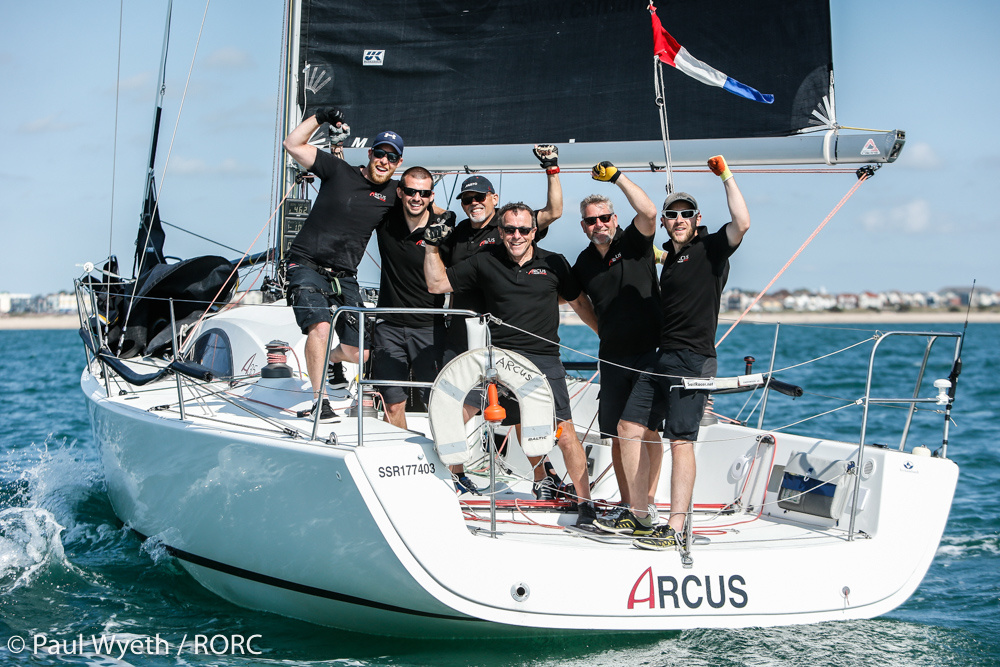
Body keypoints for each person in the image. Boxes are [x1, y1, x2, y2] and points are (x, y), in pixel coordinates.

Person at [423, 202, 600, 526]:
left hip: (543, 360)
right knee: (450, 415)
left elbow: (579, 302)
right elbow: (437, 285)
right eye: (508, 229)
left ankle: (585, 503)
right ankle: (440, 486)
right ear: (500, 231)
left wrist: (606, 337)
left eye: (523, 229)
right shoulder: (484, 262)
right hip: (495, 360)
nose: (516, 236)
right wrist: (432, 245)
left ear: (534, 231)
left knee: (565, 433)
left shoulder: (554, 263)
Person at [621, 155, 750, 550]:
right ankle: (640, 514)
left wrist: (726, 176)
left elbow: (742, 223)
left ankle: (677, 527)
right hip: (662, 356)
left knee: (680, 440)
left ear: (696, 219)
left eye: (685, 214)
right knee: (630, 427)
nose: (678, 220)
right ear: (664, 222)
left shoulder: (711, 249)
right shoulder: (671, 258)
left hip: (694, 358)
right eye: (671, 215)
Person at [438, 146, 563, 492]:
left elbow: (554, 211)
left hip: (500, 335)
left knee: (522, 407)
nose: (474, 202)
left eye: (480, 196)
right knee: (458, 402)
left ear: (495, 199)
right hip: (462, 330)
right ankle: (455, 473)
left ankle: (543, 476)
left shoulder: (510, 228)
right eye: (467, 199)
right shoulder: (458, 232)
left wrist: (551, 167)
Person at [282, 108, 404, 421]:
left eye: (391, 158)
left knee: (358, 353)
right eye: (380, 154)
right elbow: (293, 145)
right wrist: (320, 116)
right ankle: (319, 400)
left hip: (344, 276)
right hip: (306, 265)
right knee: (320, 325)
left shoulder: (393, 193)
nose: (384, 162)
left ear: (398, 163)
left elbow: (424, 203)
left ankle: (333, 361)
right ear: (370, 153)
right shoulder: (338, 171)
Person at [571, 162, 663, 535]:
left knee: (646, 431)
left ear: (614, 218)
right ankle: (629, 506)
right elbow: (578, 301)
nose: (599, 225)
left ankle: (649, 503)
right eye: (592, 221)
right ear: (583, 225)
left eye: (605, 217)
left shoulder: (635, 242)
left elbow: (650, 212)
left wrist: (617, 177)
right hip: (612, 356)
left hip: (650, 352)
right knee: (614, 433)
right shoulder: (583, 262)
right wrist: (602, 331)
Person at [370, 166, 452, 430]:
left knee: (438, 402)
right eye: (410, 191)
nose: (417, 197)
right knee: (392, 403)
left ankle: (447, 465)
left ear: (431, 196)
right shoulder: (385, 221)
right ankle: (399, 459)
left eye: (423, 193)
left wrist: (446, 217)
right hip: (388, 327)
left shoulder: (443, 233)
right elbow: (365, 187)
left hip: (430, 328)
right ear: (400, 192)